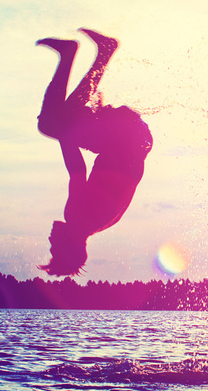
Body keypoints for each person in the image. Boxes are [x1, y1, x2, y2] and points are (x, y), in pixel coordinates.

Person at [36, 28, 152, 276]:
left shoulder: (97, 225)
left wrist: (66, 131)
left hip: (136, 139)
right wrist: (63, 135)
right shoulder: (78, 218)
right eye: (54, 248)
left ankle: (82, 55)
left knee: (60, 120)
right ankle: (79, 54)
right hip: (126, 137)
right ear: (68, 245)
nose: (50, 241)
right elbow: (77, 169)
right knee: (52, 124)